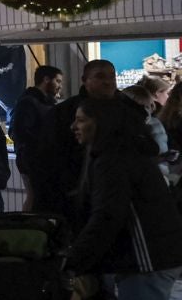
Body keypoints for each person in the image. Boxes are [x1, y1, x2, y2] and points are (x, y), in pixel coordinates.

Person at [66, 95, 182, 300]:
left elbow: (108, 215)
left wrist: (76, 259)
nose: (75, 126)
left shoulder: (115, 159)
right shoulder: (114, 154)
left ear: (101, 124)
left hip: (149, 256)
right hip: (140, 255)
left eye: (81, 119)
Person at [41, 59, 146, 220]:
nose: (108, 82)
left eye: (112, 76)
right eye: (100, 76)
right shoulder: (62, 114)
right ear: (85, 80)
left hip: (122, 193)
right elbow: (50, 155)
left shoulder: (129, 112)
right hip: (73, 192)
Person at [10, 64, 64, 209]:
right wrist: (42, 145)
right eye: (58, 81)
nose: (60, 86)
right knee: (34, 197)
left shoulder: (42, 102)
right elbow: (19, 131)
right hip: (32, 159)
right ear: (46, 79)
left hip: (39, 158)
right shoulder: (28, 102)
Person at [122, 82, 175, 187]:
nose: (145, 111)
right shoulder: (131, 129)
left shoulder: (155, 123)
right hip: (145, 180)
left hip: (160, 175)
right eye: (141, 107)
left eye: (148, 106)